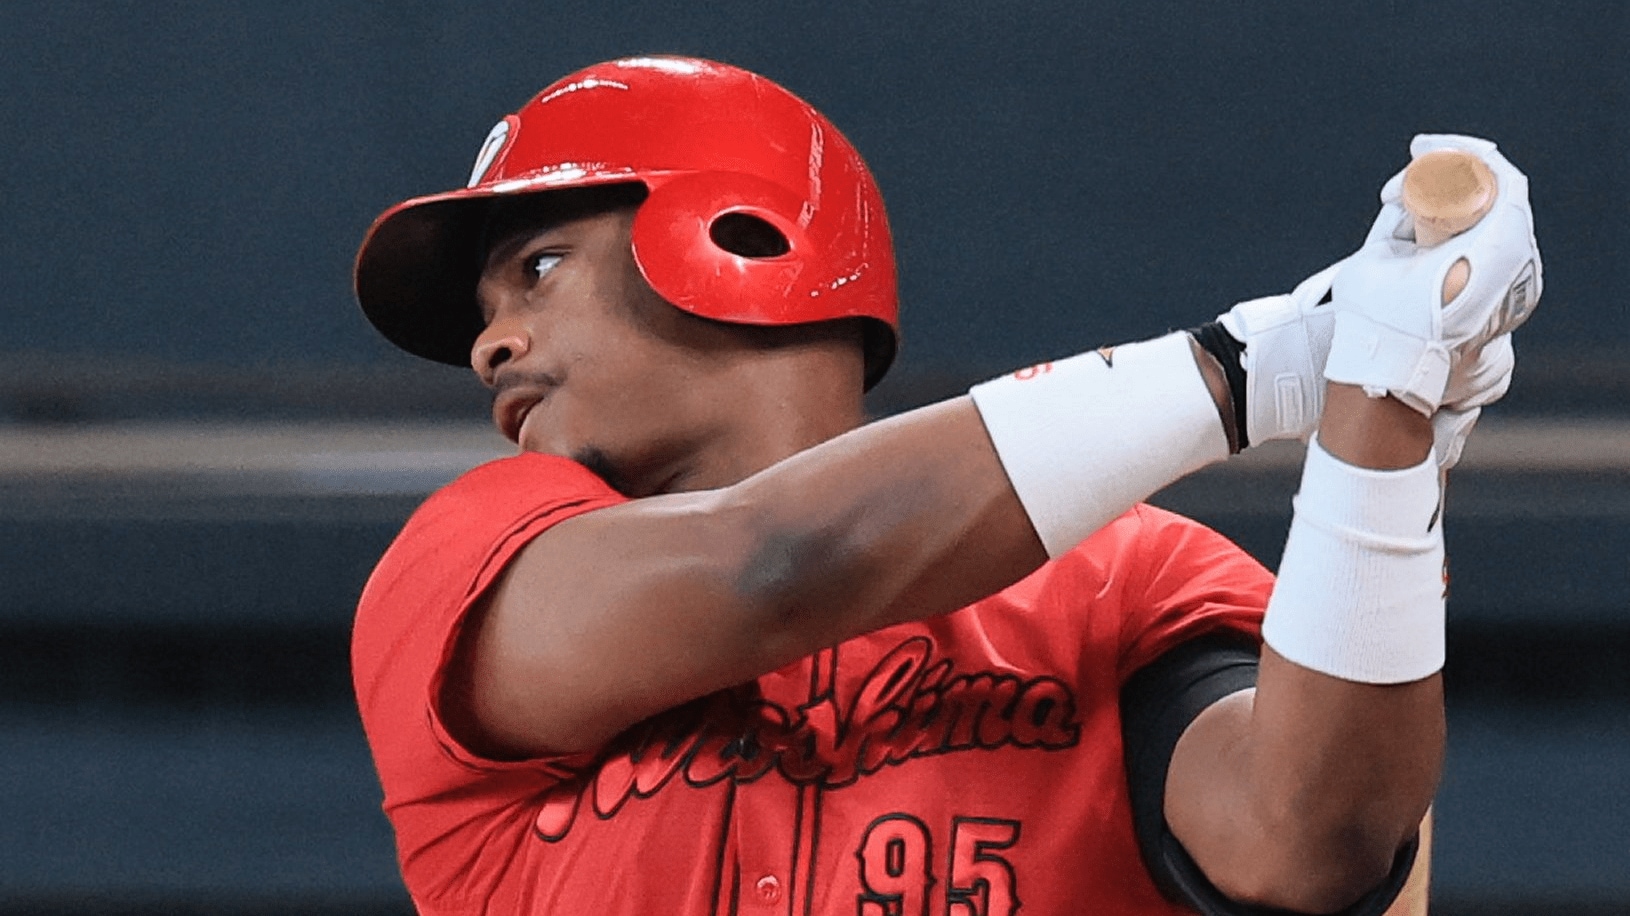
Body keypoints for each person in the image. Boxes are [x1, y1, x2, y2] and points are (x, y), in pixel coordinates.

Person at [350, 56, 1540, 916]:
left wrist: (1385, 407)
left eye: (539, 268)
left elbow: (1307, 842)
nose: (489, 346)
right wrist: (1248, 366)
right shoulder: (465, 564)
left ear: (740, 239)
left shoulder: (1121, 581)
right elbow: (770, 565)